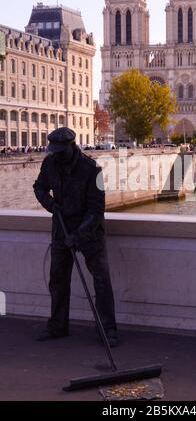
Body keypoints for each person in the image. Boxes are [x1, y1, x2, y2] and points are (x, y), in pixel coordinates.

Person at [33, 127, 118, 347]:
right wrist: (50, 204)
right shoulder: (50, 163)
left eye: (61, 151)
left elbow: (97, 209)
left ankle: (107, 330)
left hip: (89, 231)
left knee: (101, 280)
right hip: (61, 227)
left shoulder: (92, 169)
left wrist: (79, 235)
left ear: (72, 147)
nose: (57, 155)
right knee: (58, 279)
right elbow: (39, 188)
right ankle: (58, 326)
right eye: (54, 151)